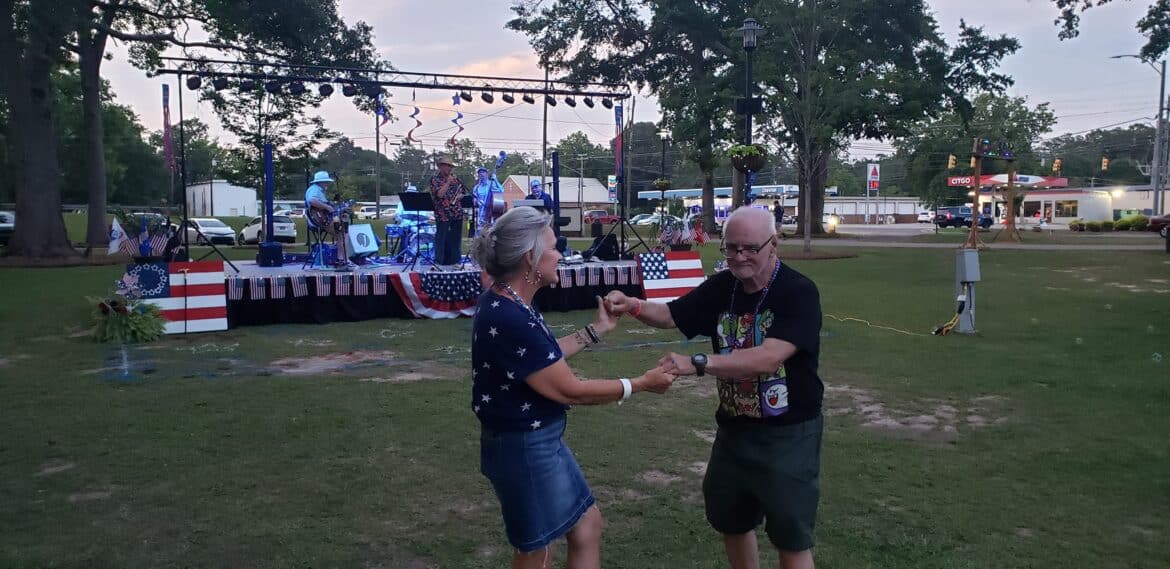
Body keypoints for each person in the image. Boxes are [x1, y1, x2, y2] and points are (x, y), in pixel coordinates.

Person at [603, 206, 824, 569]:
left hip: (788, 434)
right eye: (731, 247)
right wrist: (633, 305)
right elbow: (673, 314)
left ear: (773, 244)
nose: (739, 257)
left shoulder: (798, 292)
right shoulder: (725, 287)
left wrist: (698, 363)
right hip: (734, 431)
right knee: (731, 520)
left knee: (790, 536)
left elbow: (768, 358)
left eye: (750, 248)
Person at [469, 206, 676, 569]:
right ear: (530, 258)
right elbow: (570, 390)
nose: (561, 255)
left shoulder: (510, 301)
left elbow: (542, 358)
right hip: (525, 447)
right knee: (536, 551)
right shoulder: (509, 314)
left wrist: (597, 330)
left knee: (586, 526)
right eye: (554, 247)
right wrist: (640, 384)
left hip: (535, 441)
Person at [429, 155, 468, 267]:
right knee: (441, 238)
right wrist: (448, 182)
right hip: (443, 213)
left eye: (450, 166)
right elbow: (440, 194)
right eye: (447, 166)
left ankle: (455, 262)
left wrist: (460, 196)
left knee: (455, 238)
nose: (449, 168)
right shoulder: (435, 179)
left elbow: (463, 191)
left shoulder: (456, 179)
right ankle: (439, 262)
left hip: (456, 212)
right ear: (441, 167)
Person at [304, 170, 349, 267]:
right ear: (321, 181)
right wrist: (327, 207)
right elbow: (311, 200)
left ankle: (341, 259)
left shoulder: (318, 190)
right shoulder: (315, 189)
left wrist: (334, 208)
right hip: (319, 221)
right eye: (326, 181)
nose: (328, 183)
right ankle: (342, 260)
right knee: (343, 234)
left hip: (321, 220)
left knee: (341, 233)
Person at [473, 166, 504, 235]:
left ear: (487, 174)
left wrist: (495, 179)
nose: (481, 174)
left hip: (491, 212)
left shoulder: (492, 184)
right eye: (480, 173)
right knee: (479, 232)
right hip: (480, 214)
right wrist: (477, 201)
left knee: (491, 231)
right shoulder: (476, 187)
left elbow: (501, 190)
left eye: (483, 172)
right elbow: (474, 200)